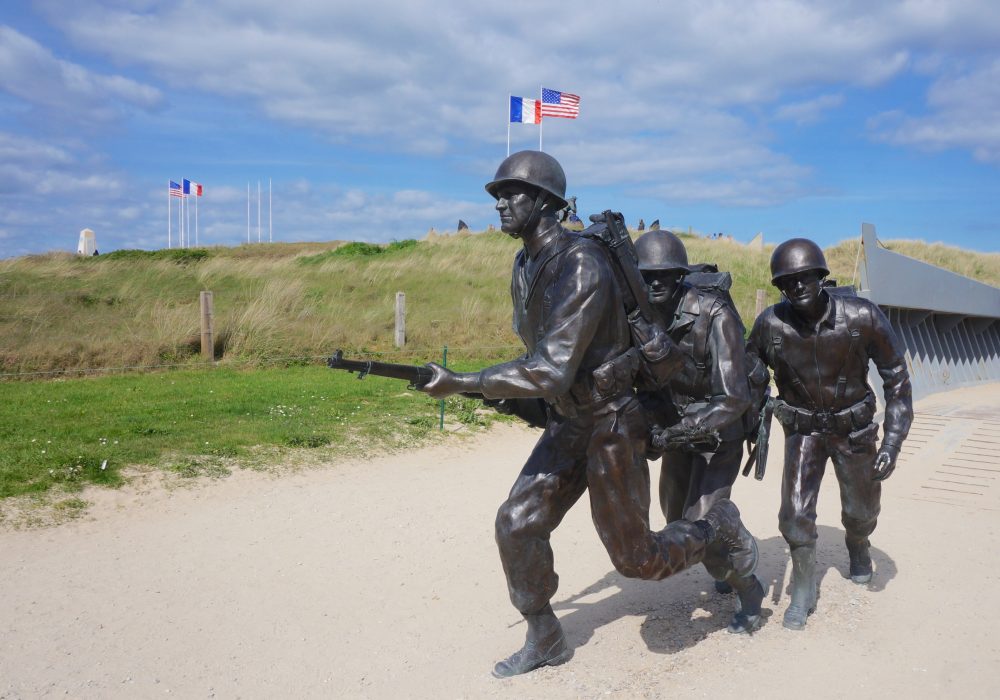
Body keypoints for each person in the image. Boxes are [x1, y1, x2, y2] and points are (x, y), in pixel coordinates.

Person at [421, 151, 758, 677]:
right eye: (497, 194)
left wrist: (464, 382)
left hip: (612, 423)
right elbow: (544, 365)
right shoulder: (524, 264)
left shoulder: (583, 263)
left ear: (546, 202)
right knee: (516, 523)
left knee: (637, 561)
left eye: (512, 194)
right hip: (569, 419)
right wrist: (486, 391)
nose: (501, 203)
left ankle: (717, 526)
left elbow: (552, 367)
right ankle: (546, 637)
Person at [746, 238, 913, 630]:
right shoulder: (771, 324)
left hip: (853, 431)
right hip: (803, 430)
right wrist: (754, 414)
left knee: (861, 510)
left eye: (806, 278)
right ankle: (804, 588)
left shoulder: (861, 316)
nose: (798, 287)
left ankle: (858, 542)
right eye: (788, 281)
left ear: (821, 277)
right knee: (794, 513)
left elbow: (897, 379)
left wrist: (892, 440)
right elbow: (748, 374)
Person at [634, 230, 766, 634]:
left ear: (681, 275)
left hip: (717, 434)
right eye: (646, 276)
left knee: (697, 527)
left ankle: (749, 586)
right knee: (674, 517)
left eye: (666, 275)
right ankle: (722, 559)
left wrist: (681, 431)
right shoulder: (639, 315)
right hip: (677, 432)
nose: (656, 283)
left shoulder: (714, 312)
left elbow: (733, 398)